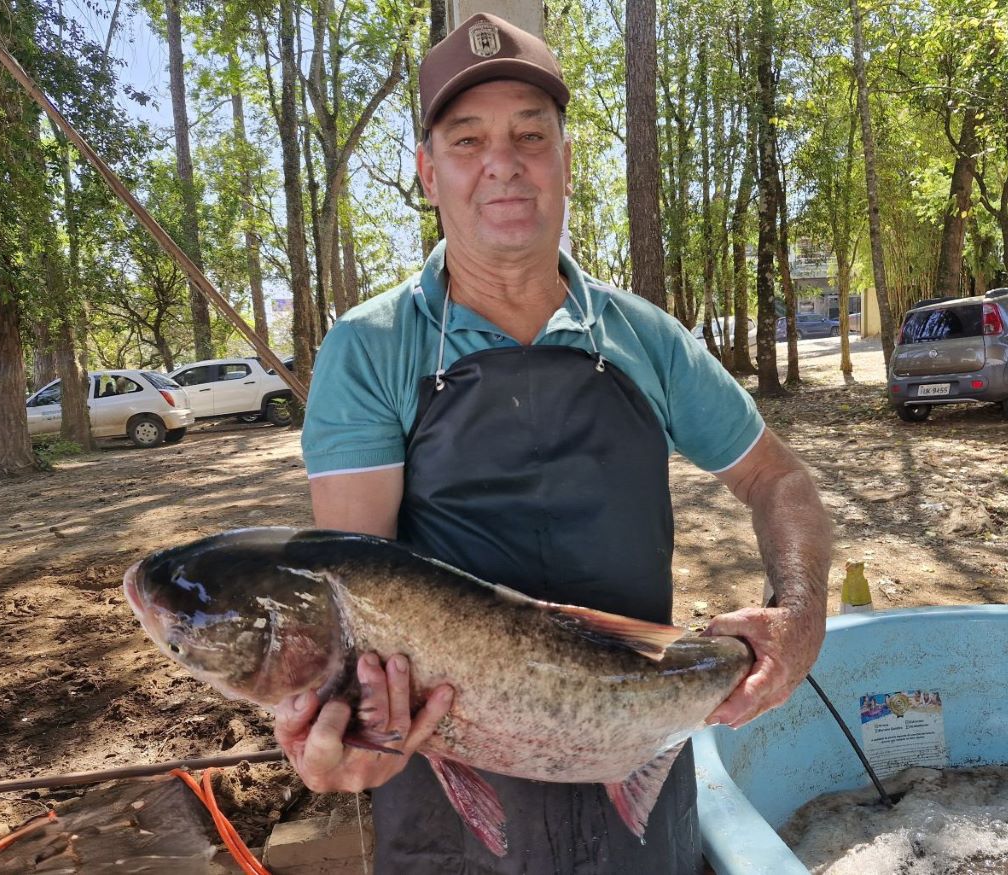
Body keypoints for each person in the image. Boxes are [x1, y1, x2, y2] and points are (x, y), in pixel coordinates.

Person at [278, 13, 830, 873]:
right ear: (428, 173)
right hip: (456, 797)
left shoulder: (648, 338)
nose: (503, 161)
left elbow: (780, 480)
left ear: (566, 163)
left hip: (640, 755)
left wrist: (799, 614)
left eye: (530, 136)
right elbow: (359, 599)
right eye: (468, 140)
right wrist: (345, 732)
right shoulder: (370, 348)